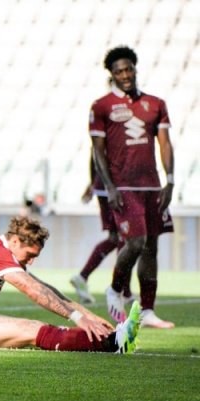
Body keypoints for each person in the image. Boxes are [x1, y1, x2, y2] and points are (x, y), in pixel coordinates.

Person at [0, 216, 141, 353]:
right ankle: (113, 344)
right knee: (30, 330)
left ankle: (112, 339)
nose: (32, 261)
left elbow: (45, 289)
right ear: (15, 241)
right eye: (30, 254)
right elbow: (32, 289)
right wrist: (77, 318)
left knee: (30, 328)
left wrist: (89, 316)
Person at [90, 46, 175, 329]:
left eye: (128, 69)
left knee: (151, 247)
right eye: (119, 72)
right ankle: (115, 289)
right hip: (123, 186)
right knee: (135, 242)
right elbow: (98, 152)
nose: (125, 75)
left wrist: (170, 180)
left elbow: (164, 143)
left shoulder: (156, 103)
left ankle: (148, 309)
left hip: (152, 186)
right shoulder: (101, 106)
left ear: (135, 69)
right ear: (112, 75)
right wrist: (110, 187)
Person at [70, 149, 136, 305]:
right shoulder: (116, 126)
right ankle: (124, 291)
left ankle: (83, 277)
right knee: (126, 239)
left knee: (116, 238)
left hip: (104, 187)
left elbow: (95, 154)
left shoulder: (103, 128)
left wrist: (93, 183)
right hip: (116, 188)